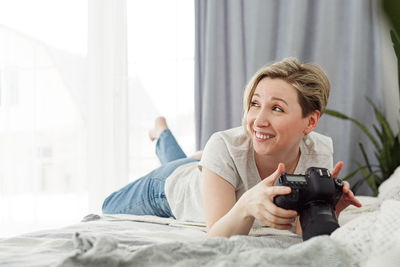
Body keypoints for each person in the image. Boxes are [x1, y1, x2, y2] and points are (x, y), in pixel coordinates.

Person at [102, 58, 362, 238]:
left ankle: (198, 158)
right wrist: (247, 203)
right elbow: (216, 234)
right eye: (255, 104)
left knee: (215, 157)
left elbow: (300, 231)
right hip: (169, 189)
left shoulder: (319, 150)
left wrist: (330, 209)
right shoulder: (224, 145)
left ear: (311, 121)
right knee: (108, 206)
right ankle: (163, 133)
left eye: (277, 108)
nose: (259, 120)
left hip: (218, 161)